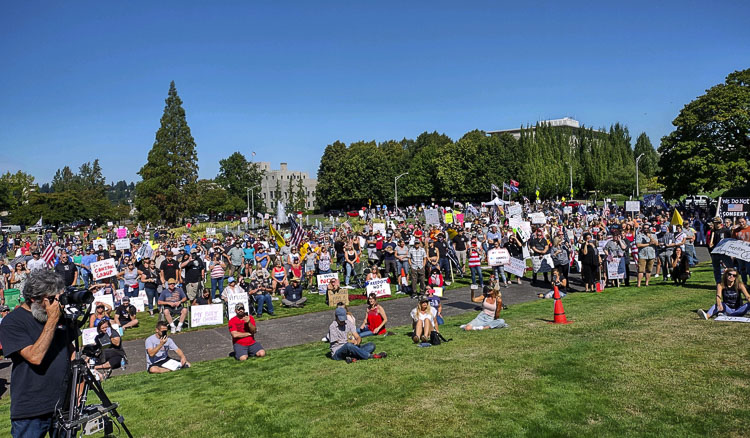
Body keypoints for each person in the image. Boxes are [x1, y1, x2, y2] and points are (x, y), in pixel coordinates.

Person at [0, 270, 74, 437]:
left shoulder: (60, 316)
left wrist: (75, 393)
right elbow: (35, 357)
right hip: (30, 410)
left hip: (63, 404)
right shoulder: (13, 322)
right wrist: (52, 320)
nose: (57, 303)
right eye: (52, 299)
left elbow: (71, 352)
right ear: (34, 299)